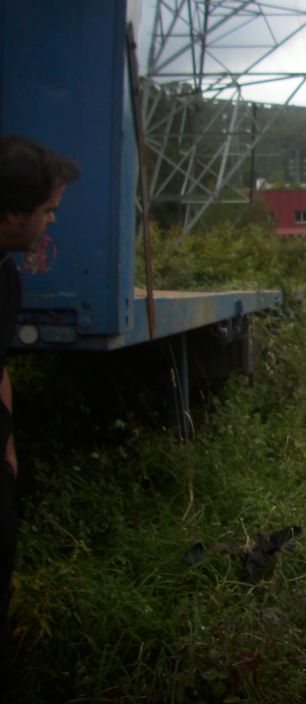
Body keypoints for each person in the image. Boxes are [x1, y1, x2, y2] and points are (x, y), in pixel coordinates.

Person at [0, 134, 80, 672]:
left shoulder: (5, 276)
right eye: (47, 212)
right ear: (12, 211)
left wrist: (7, 453)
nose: (50, 223)